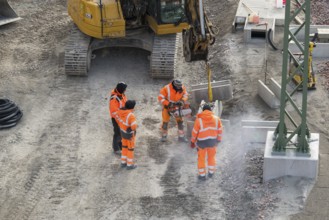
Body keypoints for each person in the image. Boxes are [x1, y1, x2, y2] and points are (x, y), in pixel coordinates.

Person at [190, 103, 223, 180]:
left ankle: (202, 175)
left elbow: (194, 132)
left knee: (201, 158)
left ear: (203, 110)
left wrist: (192, 142)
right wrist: (218, 140)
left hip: (201, 143)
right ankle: (211, 173)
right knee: (211, 157)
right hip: (212, 142)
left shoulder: (199, 120)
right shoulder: (216, 119)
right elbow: (220, 130)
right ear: (210, 110)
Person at [114, 100, 138, 170]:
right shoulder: (131, 115)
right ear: (131, 108)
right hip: (129, 136)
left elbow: (116, 117)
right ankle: (129, 165)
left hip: (123, 133)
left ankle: (123, 162)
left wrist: (120, 124)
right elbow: (134, 126)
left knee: (124, 147)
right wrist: (131, 129)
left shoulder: (120, 111)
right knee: (130, 149)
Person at [109, 82, 127, 154]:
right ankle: (116, 148)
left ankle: (120, 145)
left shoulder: (121, 94)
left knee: (121, 132)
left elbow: (124, 102)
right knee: (117, 133)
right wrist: (120, 121)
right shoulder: (114, 99)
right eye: (124, 89)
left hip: (122, 117)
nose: (125, 90)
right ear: (120, 90)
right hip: (116, 119)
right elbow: (114, 113)